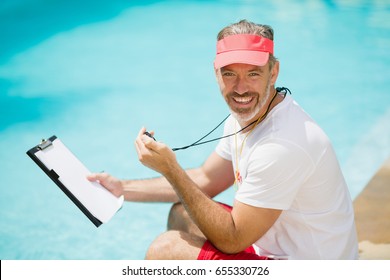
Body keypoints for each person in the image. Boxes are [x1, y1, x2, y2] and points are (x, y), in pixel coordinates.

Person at [87, 19, 358, 260]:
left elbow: (233, 239)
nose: (241, 88)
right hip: (277, 248)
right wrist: (122, 188)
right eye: (230, 74)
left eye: (253, 73)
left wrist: (170, 168)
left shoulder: (282, 144)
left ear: (273, 73)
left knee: (165, 250)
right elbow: (207, 178)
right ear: (216, 73)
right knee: (181, 213)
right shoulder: (248, 114)